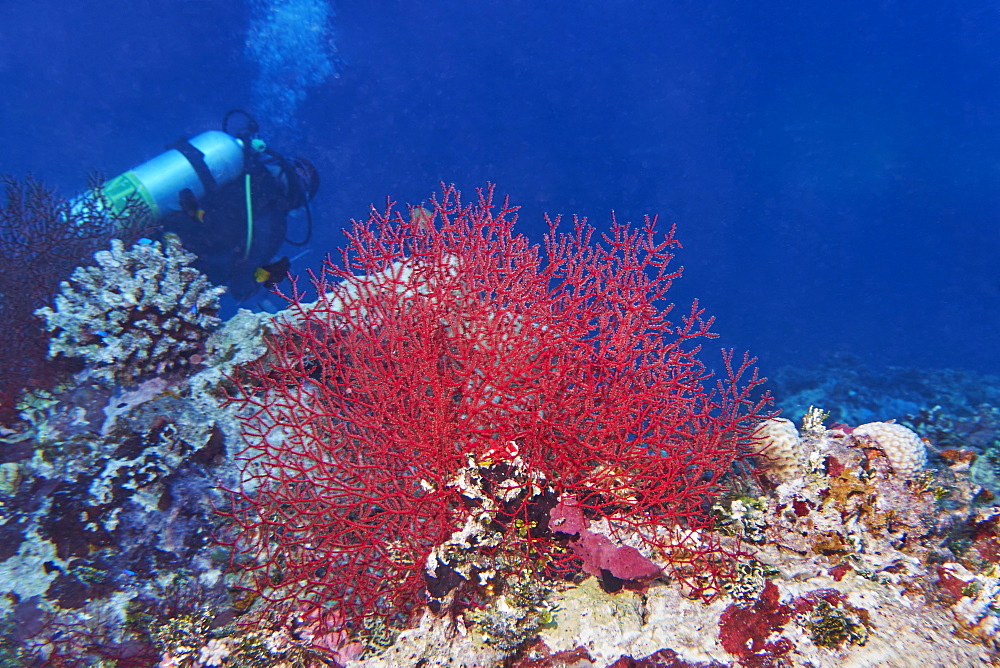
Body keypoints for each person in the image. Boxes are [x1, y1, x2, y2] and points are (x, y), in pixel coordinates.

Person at [160, 110, 319, 301]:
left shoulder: (243, 167)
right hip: (176, 269)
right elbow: (241, 288)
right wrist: (263, 277)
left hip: (159, 219)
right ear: (298, 198)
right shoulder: (273, 218)